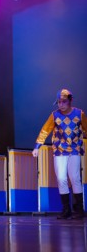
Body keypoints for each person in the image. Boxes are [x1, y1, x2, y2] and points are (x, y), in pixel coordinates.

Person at [32, 88, 87, 220]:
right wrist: (37, 146)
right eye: (59, 102)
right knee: (61, 178)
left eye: (64, 102)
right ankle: (66, 210)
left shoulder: (79, 114)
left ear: (70, 101)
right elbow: (45, 131)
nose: (61, 105)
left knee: (74, 177)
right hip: (59, 150)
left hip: (74, 149)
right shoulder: (55, 115)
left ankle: (79, 210)